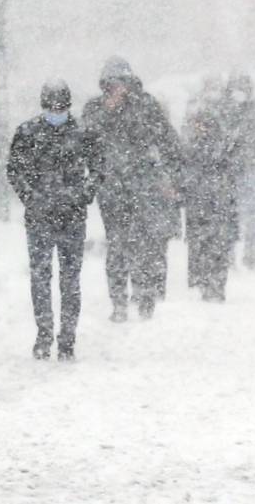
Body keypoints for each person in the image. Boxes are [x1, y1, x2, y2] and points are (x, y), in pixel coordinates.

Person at [83, 56, 183, 321]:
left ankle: (145, 294)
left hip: (144, 187)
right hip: (111, 190)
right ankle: (118, 301)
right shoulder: (95, 108)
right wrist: (107, 110)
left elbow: (169, 142)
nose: (117, 88)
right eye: (111, 83)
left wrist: (170, 178)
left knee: (145, 244)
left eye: (121, 82)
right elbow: (85, 141)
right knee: (117, 244)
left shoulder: (146, 105)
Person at [7, 80, 97, 361]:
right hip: (40, 217)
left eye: (60, 107)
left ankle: (67, 338)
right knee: (41, 277)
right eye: (51, 107)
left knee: (69, 280)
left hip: (72, 217)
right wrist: (31, 197)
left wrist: (82, 194)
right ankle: (44, 334)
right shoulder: (27, 132)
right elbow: (15, 170)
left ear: (69, 107)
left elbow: (98, 168)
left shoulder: (83, 133)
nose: (55, 112)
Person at [182, 96, 241, 302]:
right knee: (204, 246)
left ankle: (214, 283)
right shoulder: (194, 147)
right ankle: (207, 283)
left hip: (214, 204)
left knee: (214, 246)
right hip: (203, 205)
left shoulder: (218, 148)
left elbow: (230, 174)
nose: (199, 128)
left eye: (202, 124)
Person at [224, 71, 255, 269]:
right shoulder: (227, 110)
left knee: (249, 213)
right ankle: (233, 254)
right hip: (233, 169)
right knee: (232, 214)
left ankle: (248, 253)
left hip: (248, 168)